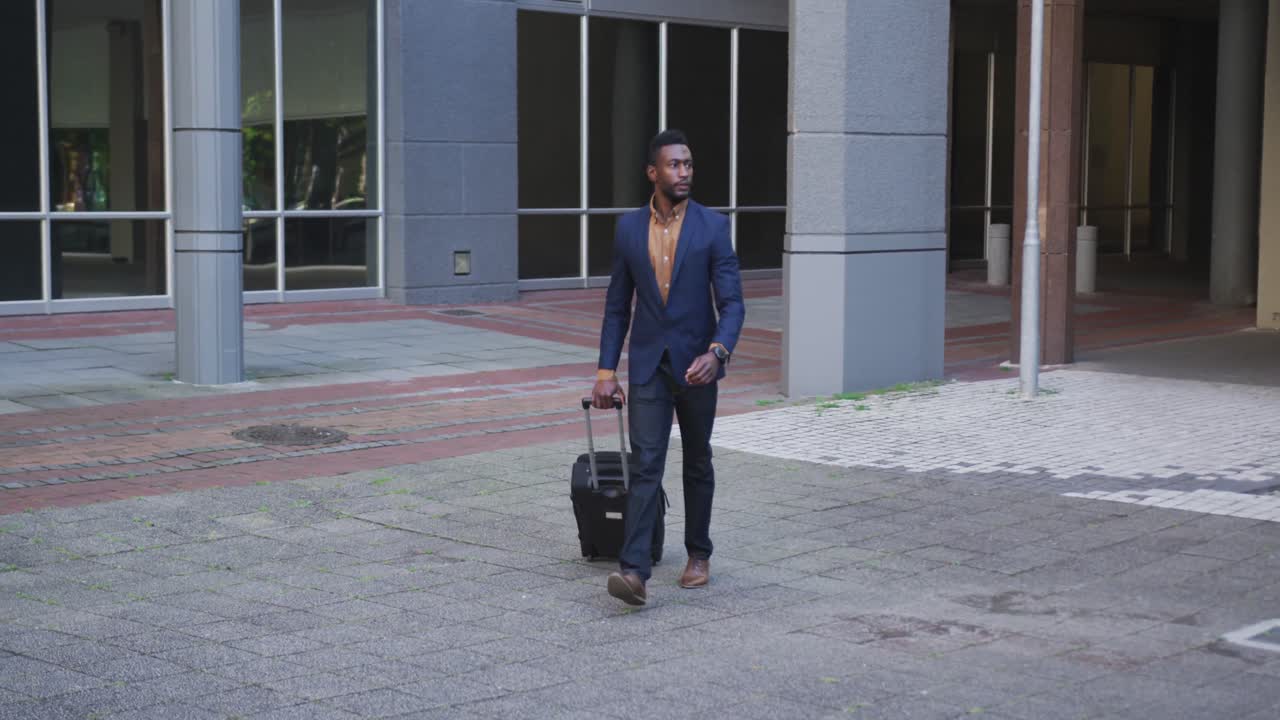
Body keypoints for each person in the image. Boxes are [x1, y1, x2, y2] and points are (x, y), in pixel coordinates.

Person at [591, 129, 745, 606]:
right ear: (652, 172)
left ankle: (698, 552)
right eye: (675, 165)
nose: (684, 172)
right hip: (648, 367)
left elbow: (734, 304)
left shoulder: (713, 227)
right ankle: (634, 571)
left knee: (698, 461)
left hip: (698, 367)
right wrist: (604, 371)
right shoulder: (628, 229)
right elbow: (618, 306)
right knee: (646, 467)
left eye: (689, 164)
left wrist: (717, 353)